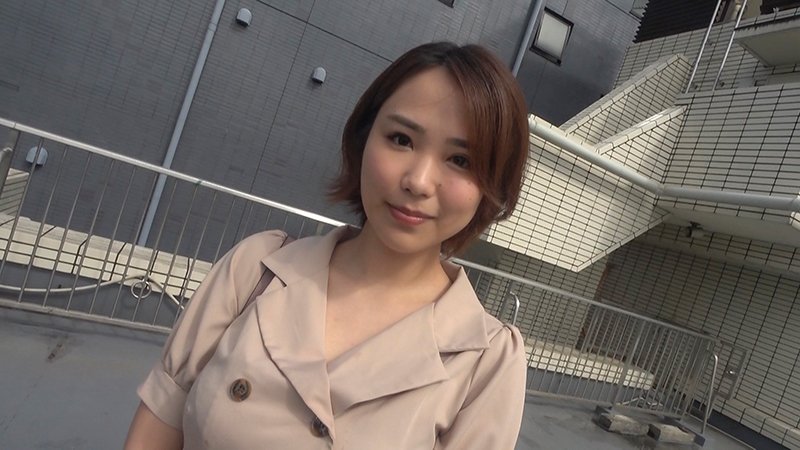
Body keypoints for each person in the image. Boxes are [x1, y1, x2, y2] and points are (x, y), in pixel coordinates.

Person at [125, 41, 530, 449]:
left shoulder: (485, 362)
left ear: (492, 186)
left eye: (461, 160)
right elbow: (153, 433)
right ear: (363, 139)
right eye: (401, 139)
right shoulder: (257, 269)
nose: (418, 181)